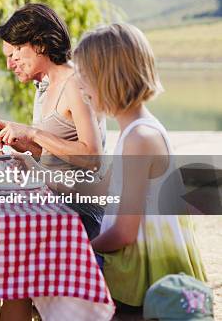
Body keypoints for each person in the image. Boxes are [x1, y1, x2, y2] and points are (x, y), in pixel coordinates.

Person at [74, 23, 206, 308]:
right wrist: (41, 178)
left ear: (108, 78)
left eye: (84, 76)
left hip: (144, 277)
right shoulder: (133, 131)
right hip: (137, 264)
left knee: (53, 274)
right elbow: (102, 189)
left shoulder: (140, 138)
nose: (80, 86)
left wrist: (79, 250)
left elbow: (124, 233)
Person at [0, 4, 106, 238]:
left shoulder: (75, 83)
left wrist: (33, 133)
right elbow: (50, 152)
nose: (12, 61)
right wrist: (17, 142)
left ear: (41, 44)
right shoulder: (47, 86)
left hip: (80, 210)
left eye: (18, 47)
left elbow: (92, 157)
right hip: (54, 197)